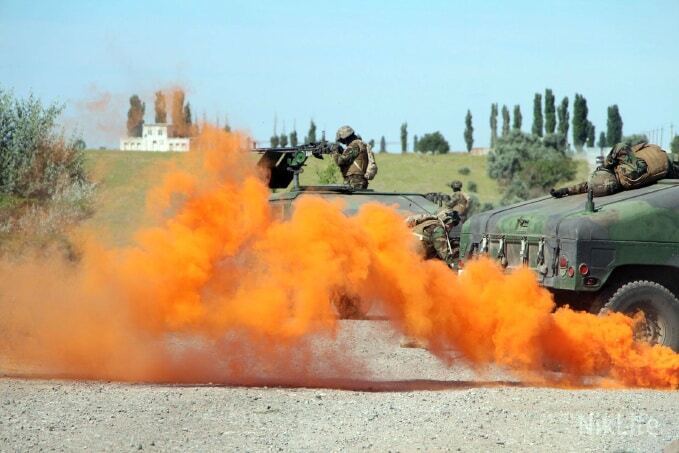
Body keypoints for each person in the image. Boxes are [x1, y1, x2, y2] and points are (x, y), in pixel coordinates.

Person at [551, 142, 679, 198]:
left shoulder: (617, 184)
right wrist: (608, 163)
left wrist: (567, 190)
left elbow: (590, 185)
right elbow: (621, 147)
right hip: (671, 163)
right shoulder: (630, 173)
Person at [333, 125, 369, 189]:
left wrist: (334, 151)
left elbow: (341, 161)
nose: (342, 142)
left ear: (345, 138)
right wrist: (341, 151)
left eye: (342, 140)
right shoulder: (358, 144)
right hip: (355, 181)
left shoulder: (354, 145)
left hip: (355, 182)